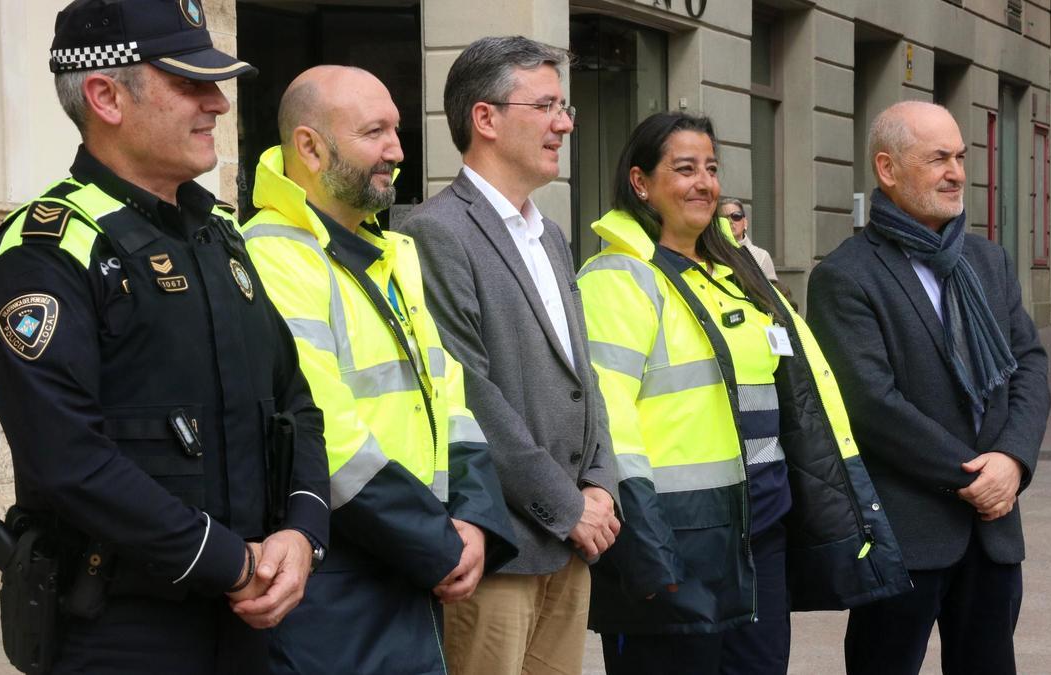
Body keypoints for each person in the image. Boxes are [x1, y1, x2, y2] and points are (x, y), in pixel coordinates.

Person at [0, 1, 330, 672]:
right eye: (189, 82)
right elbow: (70, 459)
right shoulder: (49, 250)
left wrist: (303, 533)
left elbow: (296, 403)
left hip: (248, 617)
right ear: (105, 96)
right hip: (120, 630)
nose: (217, 104)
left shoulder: (217, 235)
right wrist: (229, 561)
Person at [577, 112, 910, 674]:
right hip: (676, 543)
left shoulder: (736, 277)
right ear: (641, 182)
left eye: (711, 168)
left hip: (759, 537)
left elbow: (802, 401)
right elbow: (608, 425)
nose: (704, 183)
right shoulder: (618, 279)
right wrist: (647, 549)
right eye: (684, 169)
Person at [240, 65, 517, 675]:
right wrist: (444, 544)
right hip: (339, 585)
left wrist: (475, 521)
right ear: (309, 146)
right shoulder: (271, 257)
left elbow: (450, 399)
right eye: (375, 133)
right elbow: (326, 435)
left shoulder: (390, 254)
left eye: (396, 130)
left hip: (411, 568)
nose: (397, 150)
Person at [397, 36, 621, 675]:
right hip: (500, 550)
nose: (565, 123)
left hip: (573, 542)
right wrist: (570, 506)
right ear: (486, 119)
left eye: (565, 106)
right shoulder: (435, 232)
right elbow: (471, 394)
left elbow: (583, 377)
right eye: (546, 105)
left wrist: (601, 487)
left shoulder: (549, 233)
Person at [806, 101, 1051, 675]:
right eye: (938, 158)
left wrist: (1012, 462)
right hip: (904, 534)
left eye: (961, 157)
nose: (957, 172)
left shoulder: (988, 261)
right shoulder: (846, 275)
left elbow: (1030, 365)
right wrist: (973, 475)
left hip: (991, 532)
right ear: (888, 169)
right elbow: (869, 402)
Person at [719, 198, 778, 281]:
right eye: (724, 218)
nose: (730, 221)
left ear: (745, 222)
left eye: (736, 216)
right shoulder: (713, 253)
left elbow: (771, 290)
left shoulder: (762, 256)